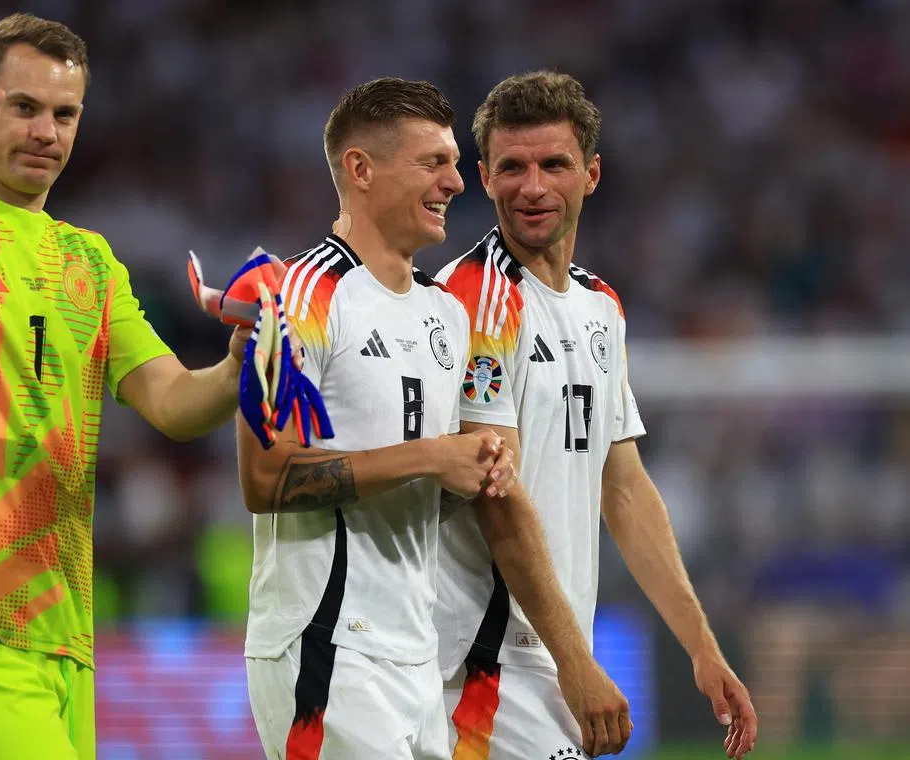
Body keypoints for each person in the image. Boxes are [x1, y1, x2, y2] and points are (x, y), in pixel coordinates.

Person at [0, 15, 249, 760]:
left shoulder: (88, 261)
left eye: (64, 114)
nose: (46, 131)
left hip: (64, 637)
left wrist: (238, 365)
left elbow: (173, 403)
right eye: (24, 106)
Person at [237, 77, 627, 760]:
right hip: (327, 642)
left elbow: (445, 482)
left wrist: (475, 470)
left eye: (453, 163)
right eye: (433, 163)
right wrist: (432, 458)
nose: (455, 182)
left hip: (418, 655)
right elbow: (264, 478)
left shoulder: (444, 314)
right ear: (360, 170)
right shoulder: (293, 298)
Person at [435, 70, 759, 760]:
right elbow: (496, 500)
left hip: (547, 655)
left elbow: (625, 487)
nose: (533, 187)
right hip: (483, 665)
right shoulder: (476, 301)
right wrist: (578, 665)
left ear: (592, 174)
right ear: (484, 177)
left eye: (554, 164)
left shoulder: (599, 307)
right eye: (512, 167)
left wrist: (702, 647)